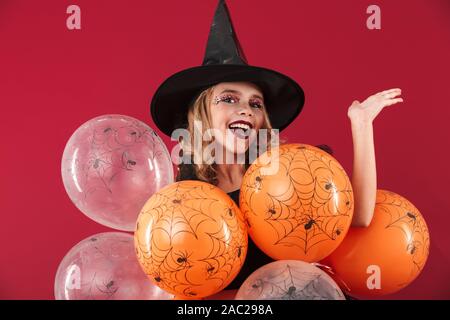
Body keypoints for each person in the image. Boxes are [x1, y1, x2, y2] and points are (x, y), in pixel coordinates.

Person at [149, 0, 402, 298]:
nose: (245, 109)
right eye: (229, 99)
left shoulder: (286, 177)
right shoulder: (184, 196)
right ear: (201, 114)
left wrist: (361, 124)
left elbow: (358, 217)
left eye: (255, 103)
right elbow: (183, 290)